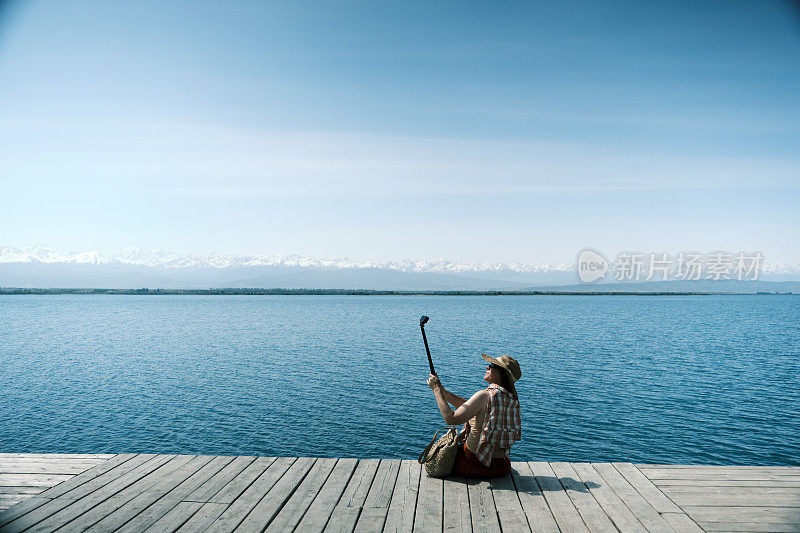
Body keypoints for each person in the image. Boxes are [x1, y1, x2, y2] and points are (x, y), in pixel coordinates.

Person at [427, 353, 522, 478]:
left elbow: (450, 419)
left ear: (502, 374)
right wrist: (442, 390)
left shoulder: (485, 395)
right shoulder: (512, 400)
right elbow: (471, 408)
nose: (487, 367)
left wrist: (437, 390)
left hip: (472, 464)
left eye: (492, 365)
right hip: (500, 467)